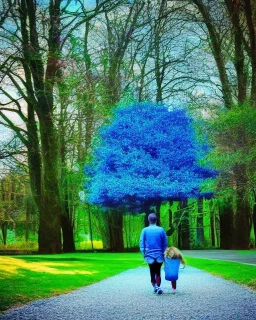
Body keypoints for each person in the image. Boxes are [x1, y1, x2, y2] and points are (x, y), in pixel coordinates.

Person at [139, 213, 168, 294]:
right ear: (156, 220)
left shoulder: (144, 230)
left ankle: (155, 286)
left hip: (149, 256)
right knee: (158, 271)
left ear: (148, 220)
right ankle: (158, 287)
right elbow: (165, 244)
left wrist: (144, 254)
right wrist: (164, 254)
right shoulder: (161, 230)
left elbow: (141, 244)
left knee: (152, 270)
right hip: (160, 255)